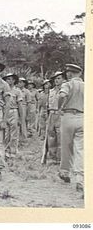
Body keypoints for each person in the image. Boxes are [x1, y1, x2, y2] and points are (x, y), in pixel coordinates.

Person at [57, 64, 84, 193]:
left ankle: (65, 172)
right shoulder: (86, 85)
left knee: (66, 146)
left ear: (69, 74)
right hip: (83, 116)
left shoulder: (68, 84)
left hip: (68, 115)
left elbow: (62, 95)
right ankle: (80, 178)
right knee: (80, 149)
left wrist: (60, 107)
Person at [41, 72, 64, 165]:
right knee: (51, 136)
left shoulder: (65, 91)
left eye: (59, 78)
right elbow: (47, 105)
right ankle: (52, 158)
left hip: (61, 115)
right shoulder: (51, 91)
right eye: (55, 79)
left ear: (63, 79)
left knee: (61, 136)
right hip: (51, 114)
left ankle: (60, 159)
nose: (56, 80)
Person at [2, 73, 23, 164]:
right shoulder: (4, 90)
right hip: (5, 112)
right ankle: (6, 151)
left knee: (14, 133)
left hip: (14, 111)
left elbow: (20, 105)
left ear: (14, 80)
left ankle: (13, 152)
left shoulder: (17, 91)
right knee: (6, 133)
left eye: (11, 79)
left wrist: (21, 118)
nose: (9, 81)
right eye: (7, 79)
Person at [17, 77, 31, 148]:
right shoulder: (16, 90)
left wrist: (28, 114)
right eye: (19, 82)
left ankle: (24, 140)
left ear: (24, 83)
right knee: (17, 123)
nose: (19, 83)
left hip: (24, 107)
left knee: (23, 124)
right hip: (17, 107)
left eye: (21, 82)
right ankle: (18, 140)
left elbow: (29, 103)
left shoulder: (27, 91)